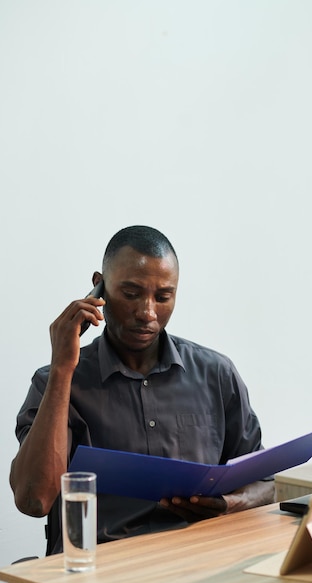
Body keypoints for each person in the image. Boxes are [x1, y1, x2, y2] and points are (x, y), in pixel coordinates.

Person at [10, 225, 274, 557]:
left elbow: (265, 484)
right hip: (99, 573)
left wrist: (229, 505)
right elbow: (35, 500)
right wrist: (63, 368)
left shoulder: (216, 374)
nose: (147, 313)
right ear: (99, 286)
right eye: (132, 293)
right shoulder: (56, 383)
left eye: (163, 296)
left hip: (195, 563)